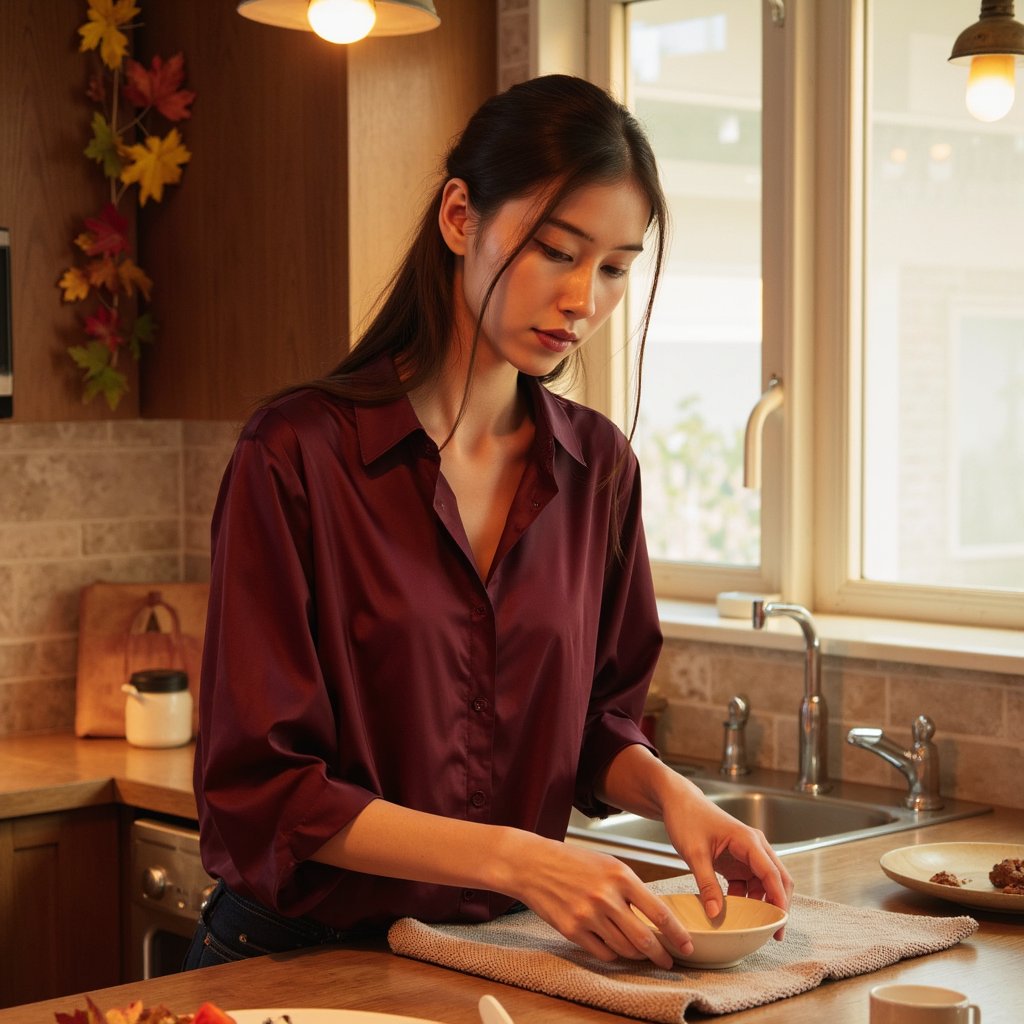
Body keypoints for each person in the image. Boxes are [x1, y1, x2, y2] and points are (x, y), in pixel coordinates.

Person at [185, 73, 792, 973]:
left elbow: (593, 726)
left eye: (617, 267)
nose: (585, 299)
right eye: (558, 251)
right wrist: (520, 859)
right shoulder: (295, 456)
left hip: (493, 965)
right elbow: (264, 791)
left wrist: (674, 796)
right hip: (298, 961)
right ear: (461, 217)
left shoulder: (600, 472)